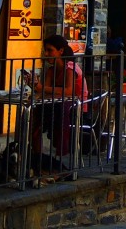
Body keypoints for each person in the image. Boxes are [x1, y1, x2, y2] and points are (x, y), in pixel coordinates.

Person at [30, 34, 89, 170]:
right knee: (34, 116)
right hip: (56, 105)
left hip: (76, 109)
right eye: (46, 50)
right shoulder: (51, 69)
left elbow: (69, 91)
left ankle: (60, 154)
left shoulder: (70, 67)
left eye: (50, 50)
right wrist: (35, 86)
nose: (46, 53)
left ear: (60, 51)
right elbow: (45, 91)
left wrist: (42, 88)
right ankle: (37, 157)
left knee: (54, 112)